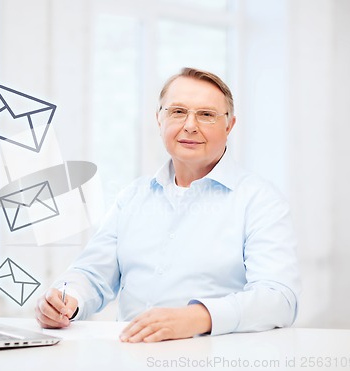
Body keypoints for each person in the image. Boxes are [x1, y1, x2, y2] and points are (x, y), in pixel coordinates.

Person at [34, 67, 300, 343]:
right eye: (177, 112)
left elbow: (279, 298)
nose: (190, 125)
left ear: (229, 125)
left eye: (206, 115)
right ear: (159, 119)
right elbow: (91, 274)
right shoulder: (132, 197)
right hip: (130, 358)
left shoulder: (260, 200)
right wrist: (63, 300)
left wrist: (198, 317)